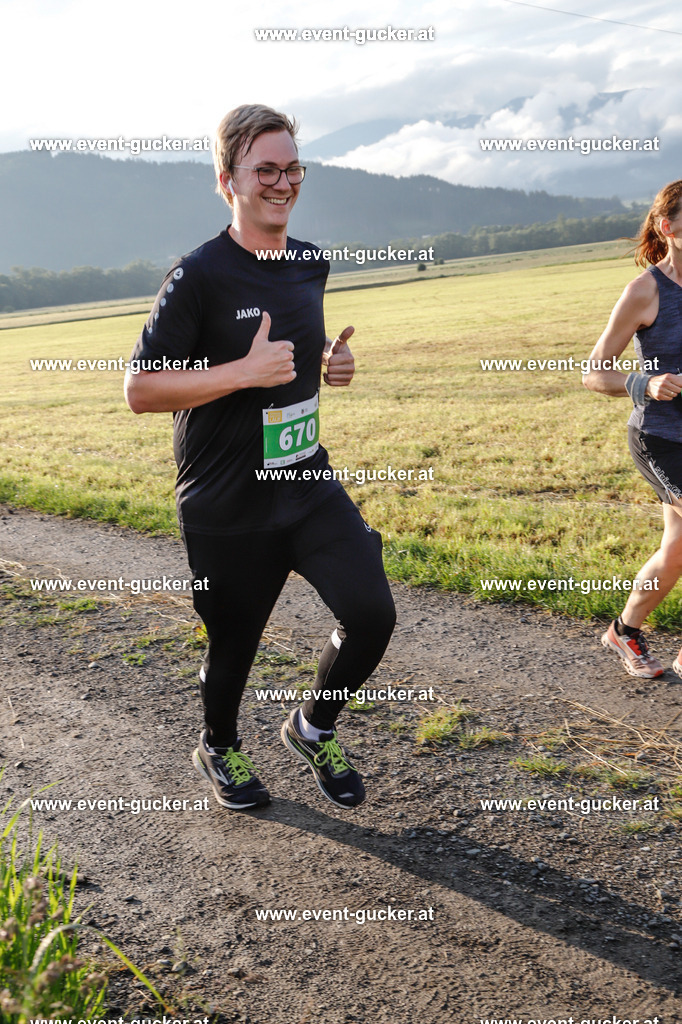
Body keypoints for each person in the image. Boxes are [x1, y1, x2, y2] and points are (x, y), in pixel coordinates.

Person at [124, 104, 396, 810]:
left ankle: (312, 726)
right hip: (226, 499)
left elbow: (295, 365)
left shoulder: (310, 261)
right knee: (235, 645)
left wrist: (332, 367)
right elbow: (141, 389)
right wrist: (241, 372)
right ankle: (219, 744)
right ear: (228, 180)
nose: (283, 182)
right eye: (265, 169)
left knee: (371, 612)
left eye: (292, 167)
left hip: (304, 479)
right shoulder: (199, 277)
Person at [583, 179, 682, 679]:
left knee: (676, 550)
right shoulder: (646, 291)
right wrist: (647, 381)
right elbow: (594, 371)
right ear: (669, 228)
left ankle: (624, 631)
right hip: (660, 438)